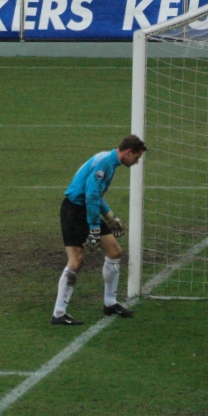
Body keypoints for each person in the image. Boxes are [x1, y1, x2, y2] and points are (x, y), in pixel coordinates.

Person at [51, 134, 148, 326]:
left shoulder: (109, 162)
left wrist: (110, 216)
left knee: (115, 251)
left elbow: (95, 195)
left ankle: (110, 303)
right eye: (136, 157)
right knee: (76, 261)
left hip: (87, 210)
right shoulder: (104, 163)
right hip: (74, 211)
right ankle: (59, 313)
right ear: (129, 152)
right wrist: (95, 229)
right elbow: (91, 196)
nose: (136, 162)